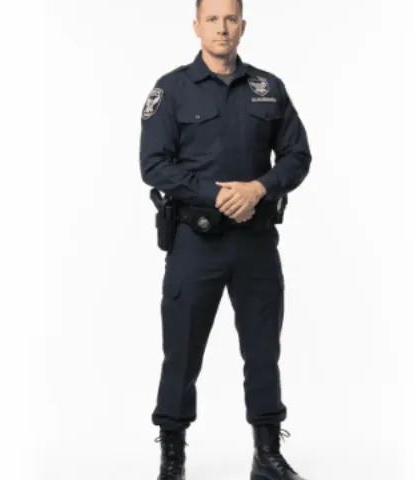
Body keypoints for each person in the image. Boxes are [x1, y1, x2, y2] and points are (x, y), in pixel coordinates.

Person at [139, 0, 312, 478]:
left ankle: (267, 456)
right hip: (195, 244)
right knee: (182, 352)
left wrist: (259, 188)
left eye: (230, 19)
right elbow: (153, 164)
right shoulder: (171, 90)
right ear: (196, 26)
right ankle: (172, 459)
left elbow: (297, 156)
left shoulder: (267, 89)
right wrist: (214, 194)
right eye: (212, 19)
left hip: (256, 242)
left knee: (263, 350)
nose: (222, 28)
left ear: (243, 26)